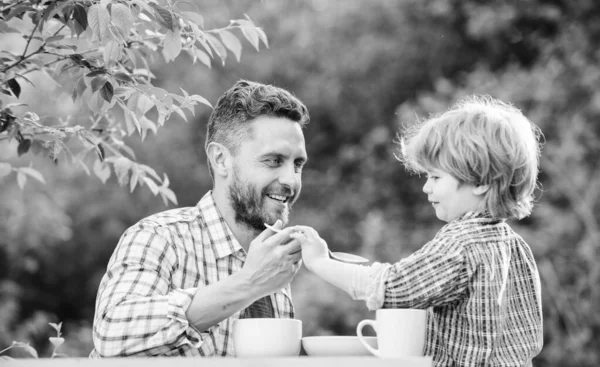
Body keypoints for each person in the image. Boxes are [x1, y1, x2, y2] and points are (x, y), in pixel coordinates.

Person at [292, 95, 544, 366]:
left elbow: (391, 287)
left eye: (435, 177)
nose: (426, 187)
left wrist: (320, 262)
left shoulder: (460, 244)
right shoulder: (515, 246)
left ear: (480, 181)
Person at [91, 80, 310, 357]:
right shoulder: (158, 238)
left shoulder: (274, 265)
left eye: (298, 164)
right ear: (221, 159)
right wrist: (249, 283)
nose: (291, 180)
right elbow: (112, 333)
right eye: (273, 161)